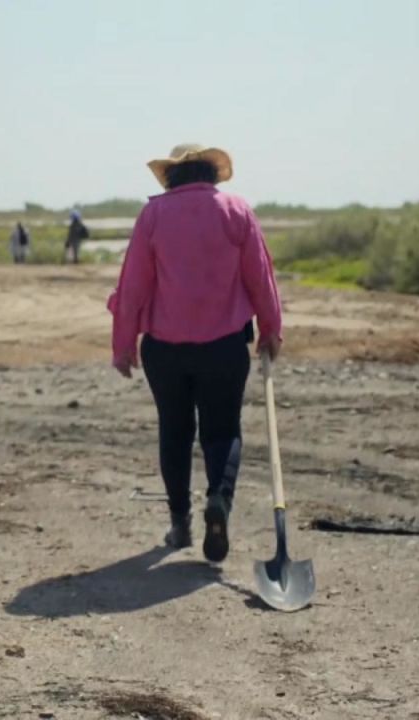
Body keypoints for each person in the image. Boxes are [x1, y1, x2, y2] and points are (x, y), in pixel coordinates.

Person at [106, 143, 283, 562]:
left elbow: (133, 285)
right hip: (224, 346)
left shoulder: (153, 214)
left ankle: (180, 523)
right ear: (211, 174)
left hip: (165, 350)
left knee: (174, 430)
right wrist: (271, 327)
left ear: (172, 177)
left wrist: (122, 343)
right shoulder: (236, 209)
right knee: (222, 430)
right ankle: (218, 500)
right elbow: (260, 275)